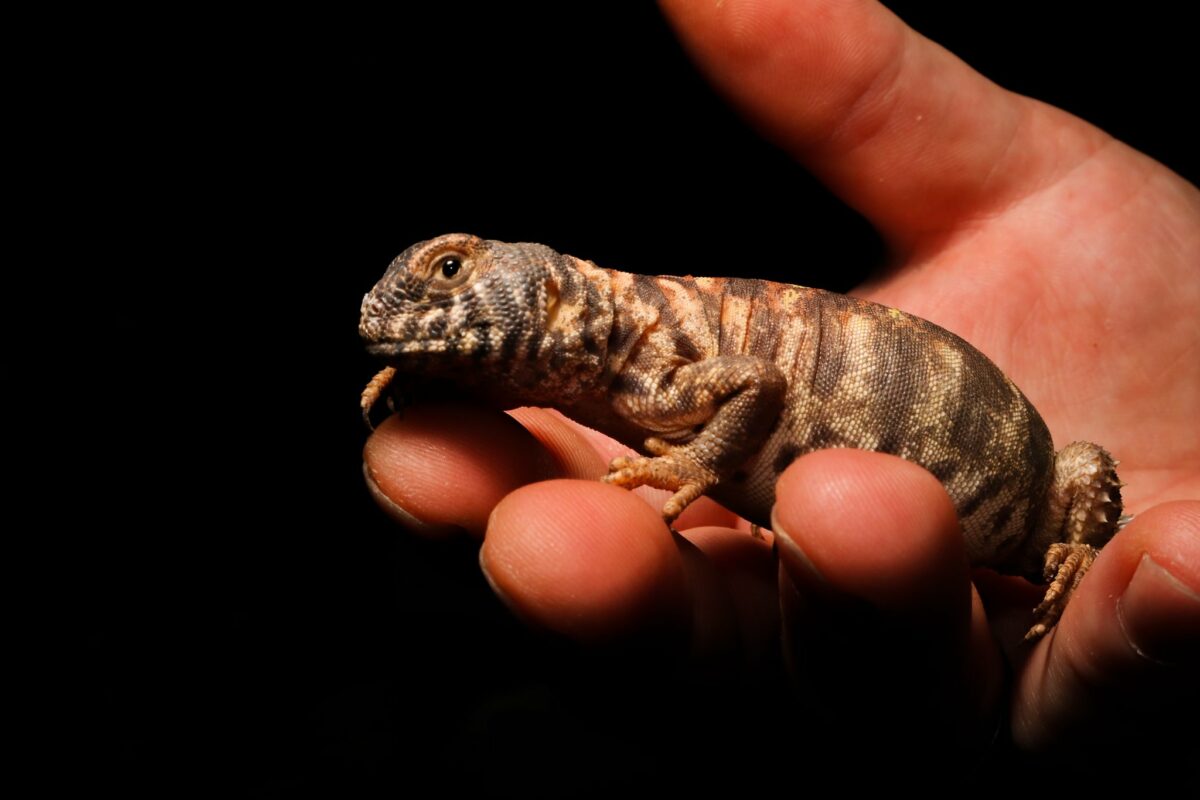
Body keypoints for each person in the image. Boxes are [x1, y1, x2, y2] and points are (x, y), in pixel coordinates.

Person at [363, 0, 1198, 756]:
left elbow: (755, 382)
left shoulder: (653, 373)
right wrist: (443, 372)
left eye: (449, 272)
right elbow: (541, 377)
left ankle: (1074, 558)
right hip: (912, 524)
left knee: (1078, 472)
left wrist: (695, 465)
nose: (440, 294)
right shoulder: (612, 364)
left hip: (1024, 485)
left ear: (549, 290)